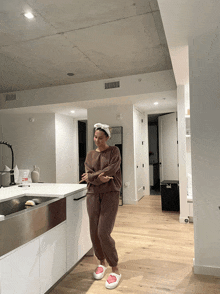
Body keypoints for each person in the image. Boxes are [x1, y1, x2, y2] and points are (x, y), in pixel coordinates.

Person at [81, 123, 122, 290]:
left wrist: (92, 177)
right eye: (95, 137)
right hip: (92, 194)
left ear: (107, 138)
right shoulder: (90, 154)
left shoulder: (114, 151)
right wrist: (97, 178)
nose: (97, 140)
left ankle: (115, 269)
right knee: (93, 231)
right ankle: (101, 262)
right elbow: (88, 174)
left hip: (110, 192)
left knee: (103, 232)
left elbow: (111, 169)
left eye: (100, 137)